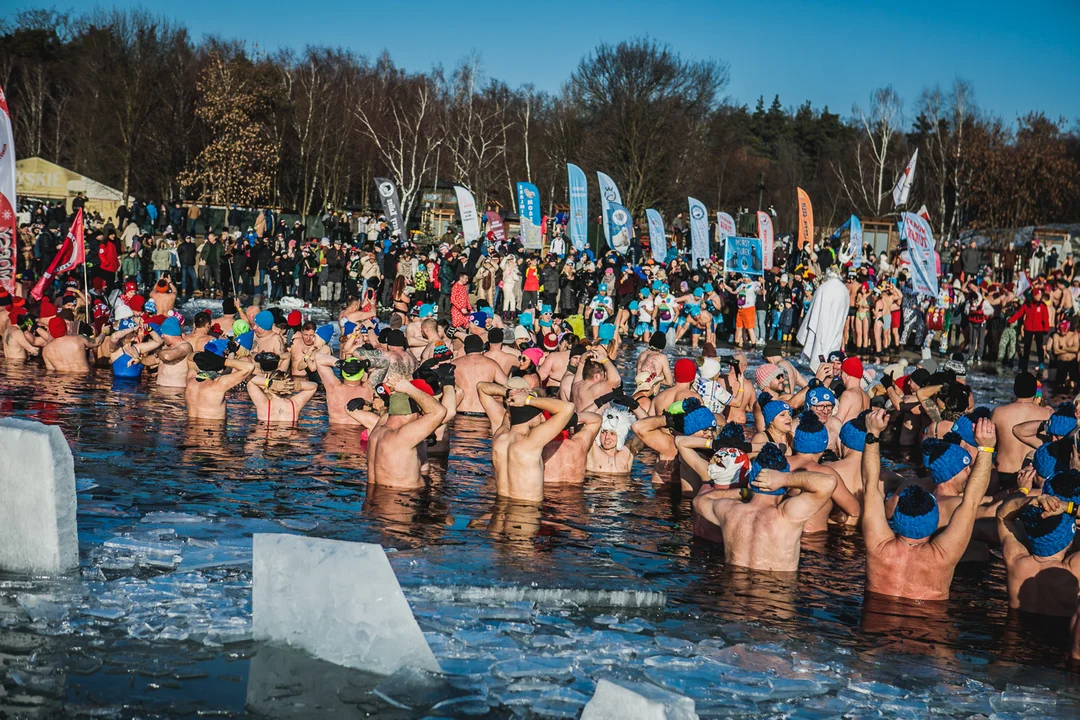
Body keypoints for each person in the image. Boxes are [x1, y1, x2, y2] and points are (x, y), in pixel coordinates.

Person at [860, 409, 994, 601]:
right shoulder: (941, 557)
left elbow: (870, 486)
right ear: (933, 521)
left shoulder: (878, 547)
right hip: (929, 626)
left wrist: (872, 433)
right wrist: (986, 449)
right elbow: (971, 501)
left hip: (874, 625)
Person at [691, 442, 836, 572]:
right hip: (773, 596)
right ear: (781, 483)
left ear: (751, 481)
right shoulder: (788, 515)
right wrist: (785, 479)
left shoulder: (729, 510)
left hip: (732, 596)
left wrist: (746, 492)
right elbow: (828, 483)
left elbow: (699, 501)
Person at [996, 492, 1080, 618]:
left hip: (1016, 633)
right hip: (1059, 635)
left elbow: (1002, 516)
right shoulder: (1073, 568)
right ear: (1069, 538)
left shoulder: (1015, 561)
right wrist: (1068, 507)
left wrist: (1030, 501)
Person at [492, 390, 576, 502]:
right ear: (530, 417)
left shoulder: (499, 437)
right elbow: (568, 408)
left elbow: (509, 414)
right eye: (539, 414)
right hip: (526, 513)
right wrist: (528, 400)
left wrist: (514, 398)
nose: (543, 418)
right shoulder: (531, 441)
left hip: (499, 509)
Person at [367, 379, 448, 489]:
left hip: (376, 496)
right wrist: (409, 389)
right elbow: (440, 412)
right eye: (418, 414)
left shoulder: (377, 430)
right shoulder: (402, 436)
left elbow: (391, 411)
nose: (420, 417)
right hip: (404, 500)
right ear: (405, 415)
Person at [993, 372, 1052, 490]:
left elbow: (990, 444)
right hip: (1032, 475)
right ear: (1035, 392)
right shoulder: (1047, 414)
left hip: (1004, 473)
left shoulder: (998, 412)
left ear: (1015, 389)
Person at [185, 352, 255, 420]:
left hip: (191, 427)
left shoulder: (191, 380)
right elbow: (249, 367)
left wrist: (200, 356)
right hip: (214, 428)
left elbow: (190, 358)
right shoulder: (218, 385)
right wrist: (223, 361)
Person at [451, 334, 508, 415]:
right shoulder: (492, 364)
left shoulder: (454, 364)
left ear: (465, 349)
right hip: (483, 411)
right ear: (482, 348)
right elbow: (507, 384)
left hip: (460, 411)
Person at [586, 406, 636, 475]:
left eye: (612, 433)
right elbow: (580, 421)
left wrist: (636, 407)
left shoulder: (627, 452)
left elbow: (643, 431)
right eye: (603, 432)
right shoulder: (592, 449)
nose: (607, 437)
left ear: (619, 436)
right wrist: (598, 403)